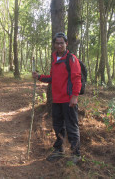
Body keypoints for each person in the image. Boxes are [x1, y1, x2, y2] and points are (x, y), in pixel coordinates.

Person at [32, 32, 82, 164]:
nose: (59, 45)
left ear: (66, 44)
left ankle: (76, 153)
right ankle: (59, 150)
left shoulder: (71, 59)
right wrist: (39, 77)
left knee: (72, 126)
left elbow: (77, 79)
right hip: (57, 99)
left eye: (62, 43)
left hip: (69, 100)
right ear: (54, 44)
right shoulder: (54, 58)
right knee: (58, 126)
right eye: (57, 43)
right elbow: (52, 78)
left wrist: (74, 96)